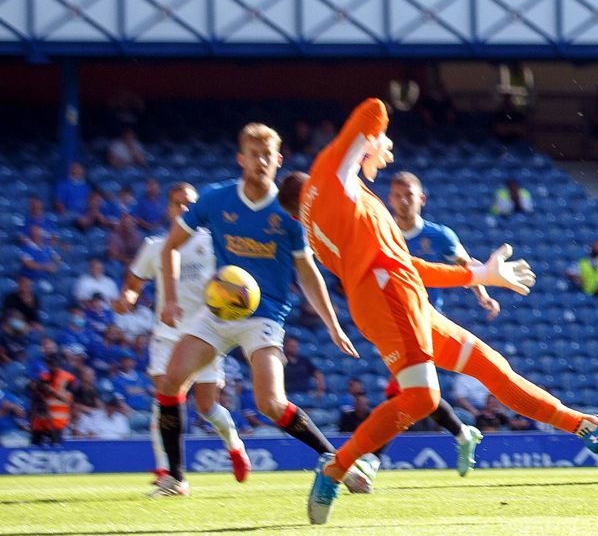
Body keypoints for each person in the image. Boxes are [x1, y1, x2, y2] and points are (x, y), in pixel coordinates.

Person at [278, 97, 598, 524]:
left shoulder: (323, 228)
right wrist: (373, 145)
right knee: (422, 397)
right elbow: (373, 108)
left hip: (393, 295)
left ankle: (589, 427)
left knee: (492, 369)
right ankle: (335, 468)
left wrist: (480, 276)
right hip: (390, 296)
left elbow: (408, 266)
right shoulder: (329, 178)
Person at [149, 123, 364, 498]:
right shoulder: (216, 200)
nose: (261, 161)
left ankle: (340, 463)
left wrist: (332, 324)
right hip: (218, 312)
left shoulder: (291, 214)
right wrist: (169, 298)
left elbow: (308, 272)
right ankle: (175, 479)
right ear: (241, 159)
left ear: (278, 161)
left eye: (268, 155)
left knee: (271, 403)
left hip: (264, 317)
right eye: (253, 154)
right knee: (169, 383)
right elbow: (169, 247)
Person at [115, 180, 253, 488]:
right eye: (178, 203)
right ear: (168, 208)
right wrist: (128, 299)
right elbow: (134, 285)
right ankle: (169, 473)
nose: (184, 208)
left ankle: (234, 445)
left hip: (205, 337)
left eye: (190, 203)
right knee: (164, 399)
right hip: (167, 336)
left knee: (207, 408)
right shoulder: (155, 246)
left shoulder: (213, 243)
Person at [387, 171, 499, 472]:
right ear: (389, 199)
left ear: (421, 198)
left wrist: (483, 296)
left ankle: (370, 460)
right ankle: (463, 434)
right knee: (418, 394)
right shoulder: (383, 233)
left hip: (424, 322)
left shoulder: (439, 236)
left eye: (409, 195)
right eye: (397, 195)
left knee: (403, 392)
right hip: (390, 324)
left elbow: (468, 266)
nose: (403, 201)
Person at [28, 355, 75, 446]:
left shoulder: (68, 378)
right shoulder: (43, 377)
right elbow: (34, 393)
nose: (51, 366)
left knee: (55, 447)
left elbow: (68, 399)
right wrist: (35, 387)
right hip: (40, 420)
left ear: (58, 364)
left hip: (57, 421)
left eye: (52, 363)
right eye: (48, 363)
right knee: (35, 446)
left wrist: (51, 391)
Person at [19, 225, 61, 290]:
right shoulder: (25, 248)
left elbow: (57, 258)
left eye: (39, 232)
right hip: (31, 281)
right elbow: (29, 264)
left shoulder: (46, 247)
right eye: (35, 233)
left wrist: (54, 265)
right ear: (31, 234)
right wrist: (45, 267)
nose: (38, 235)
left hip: (46, 279)